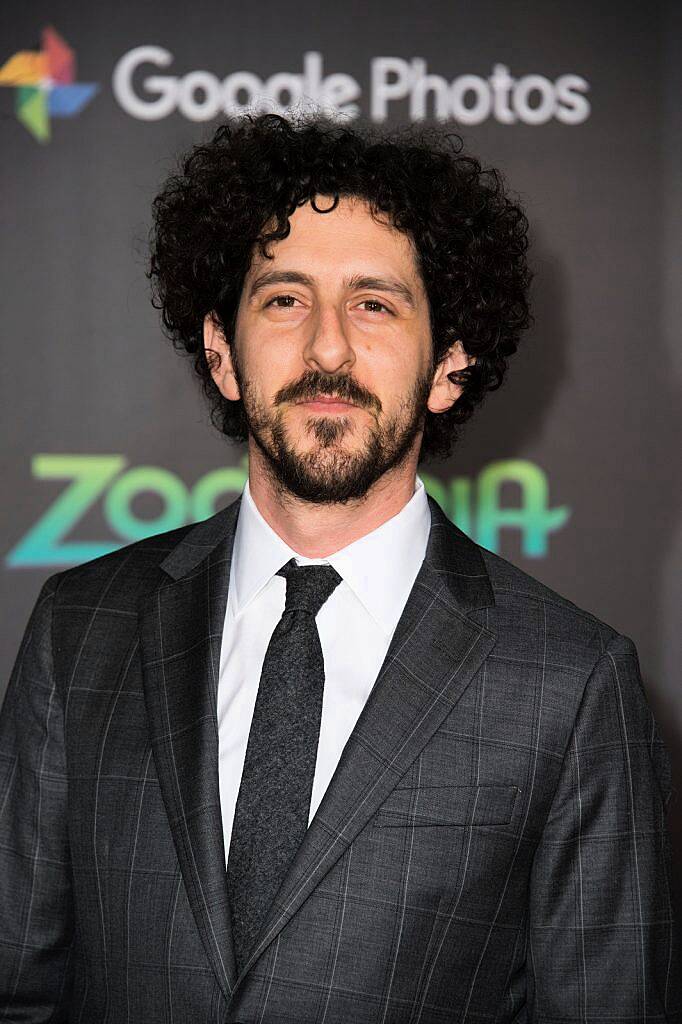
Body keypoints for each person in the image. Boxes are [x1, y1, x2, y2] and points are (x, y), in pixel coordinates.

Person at [0, 112, 679, 1023]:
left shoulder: (571, 683)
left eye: (375, 303)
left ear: (448, 365)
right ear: (220, 353)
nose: (327, 348)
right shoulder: (80, 628)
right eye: (283, 299)